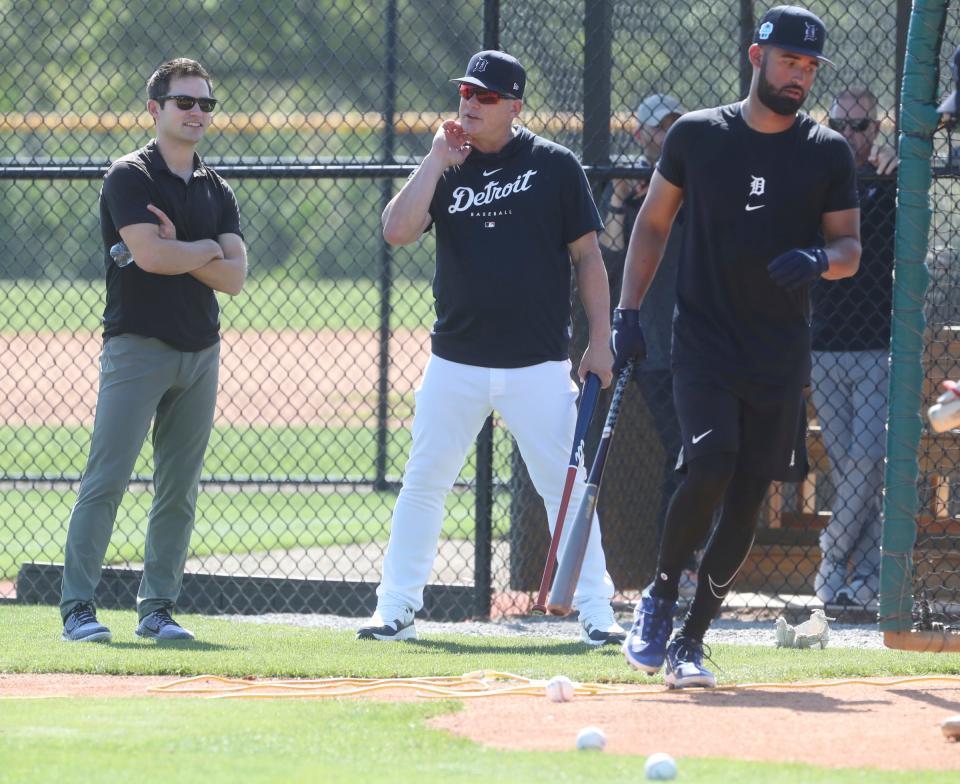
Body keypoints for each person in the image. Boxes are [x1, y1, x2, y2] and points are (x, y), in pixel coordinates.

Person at [612, 6, 861, 688]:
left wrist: (818, 257)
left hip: (778, 353)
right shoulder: (697, 135)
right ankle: (661, 597)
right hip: (703, 339)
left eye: (810, 67)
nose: (799, 76)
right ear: (757, 57)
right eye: (789, 61)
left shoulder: (827, 150)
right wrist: (627, 312)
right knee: (711, 460)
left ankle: (692, 641)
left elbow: (850, 250)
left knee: (750, 494)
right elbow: (655, 224)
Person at [358, 49, 624, 645]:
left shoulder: (554, 165)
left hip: (537, 364)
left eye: (485, 97)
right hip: (456, 360)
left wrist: (600, 342)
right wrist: (433, 160)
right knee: (424, 480)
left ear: (514, 106)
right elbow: (397, 231)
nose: (470, 105)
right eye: (465, 93)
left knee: (567, 485)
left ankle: (596, 611)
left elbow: (588, 258)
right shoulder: (447, 164)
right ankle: (396, 608)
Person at [59, 58, 247, 642]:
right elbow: (151, 258)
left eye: (205, 104)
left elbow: (236, 278)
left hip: (200, 352)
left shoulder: (217, 188)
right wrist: (200, 252)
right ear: (155, 109)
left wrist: (180, 247)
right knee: (107, 478)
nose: (196, 113)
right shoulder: (129, 176)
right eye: (184, 102)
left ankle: (157, 609)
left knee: (178, 489)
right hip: (138, 347)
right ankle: (77, 610)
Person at [599, 94, 700, 596]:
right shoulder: (633, 187)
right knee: (684, 453)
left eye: (675, 125)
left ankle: (680, 563)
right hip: (657, 347)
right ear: (642, 137)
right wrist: (621, 198)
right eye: (660, 127)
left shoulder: (698, 174)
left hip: (704, 343)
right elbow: (612, 250)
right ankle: (676, 565)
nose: (669, 134)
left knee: (697, 455)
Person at [811, 87, 897, 609]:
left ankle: (827, 560)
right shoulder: (816, 179)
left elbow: (887, 247)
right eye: (841, 124)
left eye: (861, 127)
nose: (850, 135)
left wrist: (898, 182)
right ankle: (863, 580)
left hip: (874, 348)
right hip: (823, 349)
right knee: (849, 471)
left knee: (865, 464)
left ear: (876, 132)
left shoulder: (890, 185)